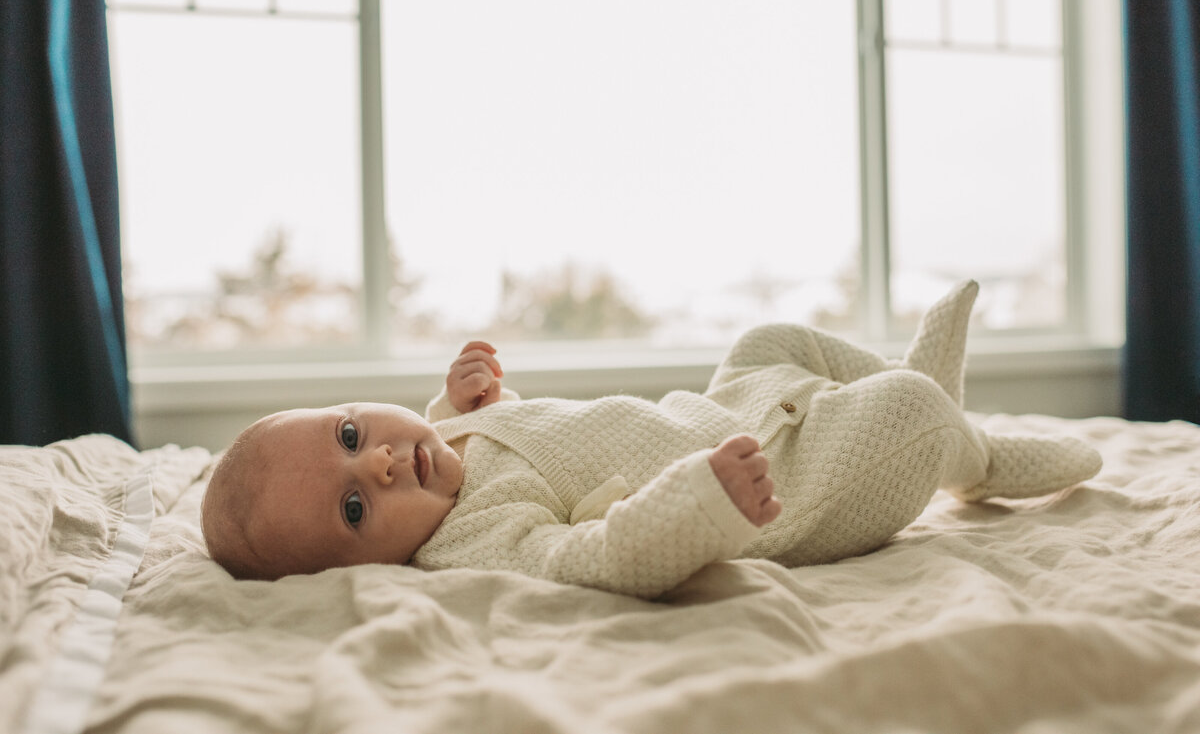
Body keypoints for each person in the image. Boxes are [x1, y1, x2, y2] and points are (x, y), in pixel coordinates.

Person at [201, 280, 1101, 598]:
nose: (385, 460)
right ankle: (972, 457)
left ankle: (939, 410)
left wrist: (457, 394)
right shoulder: (476, 542)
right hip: (778, 482)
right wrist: (702, 501)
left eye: (351, 432)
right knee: (900, 408)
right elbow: (600, 554)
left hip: (720, 413)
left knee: (769, 342)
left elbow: (484, 433)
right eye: (356, 504)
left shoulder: (440, 436)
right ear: (364, 570)